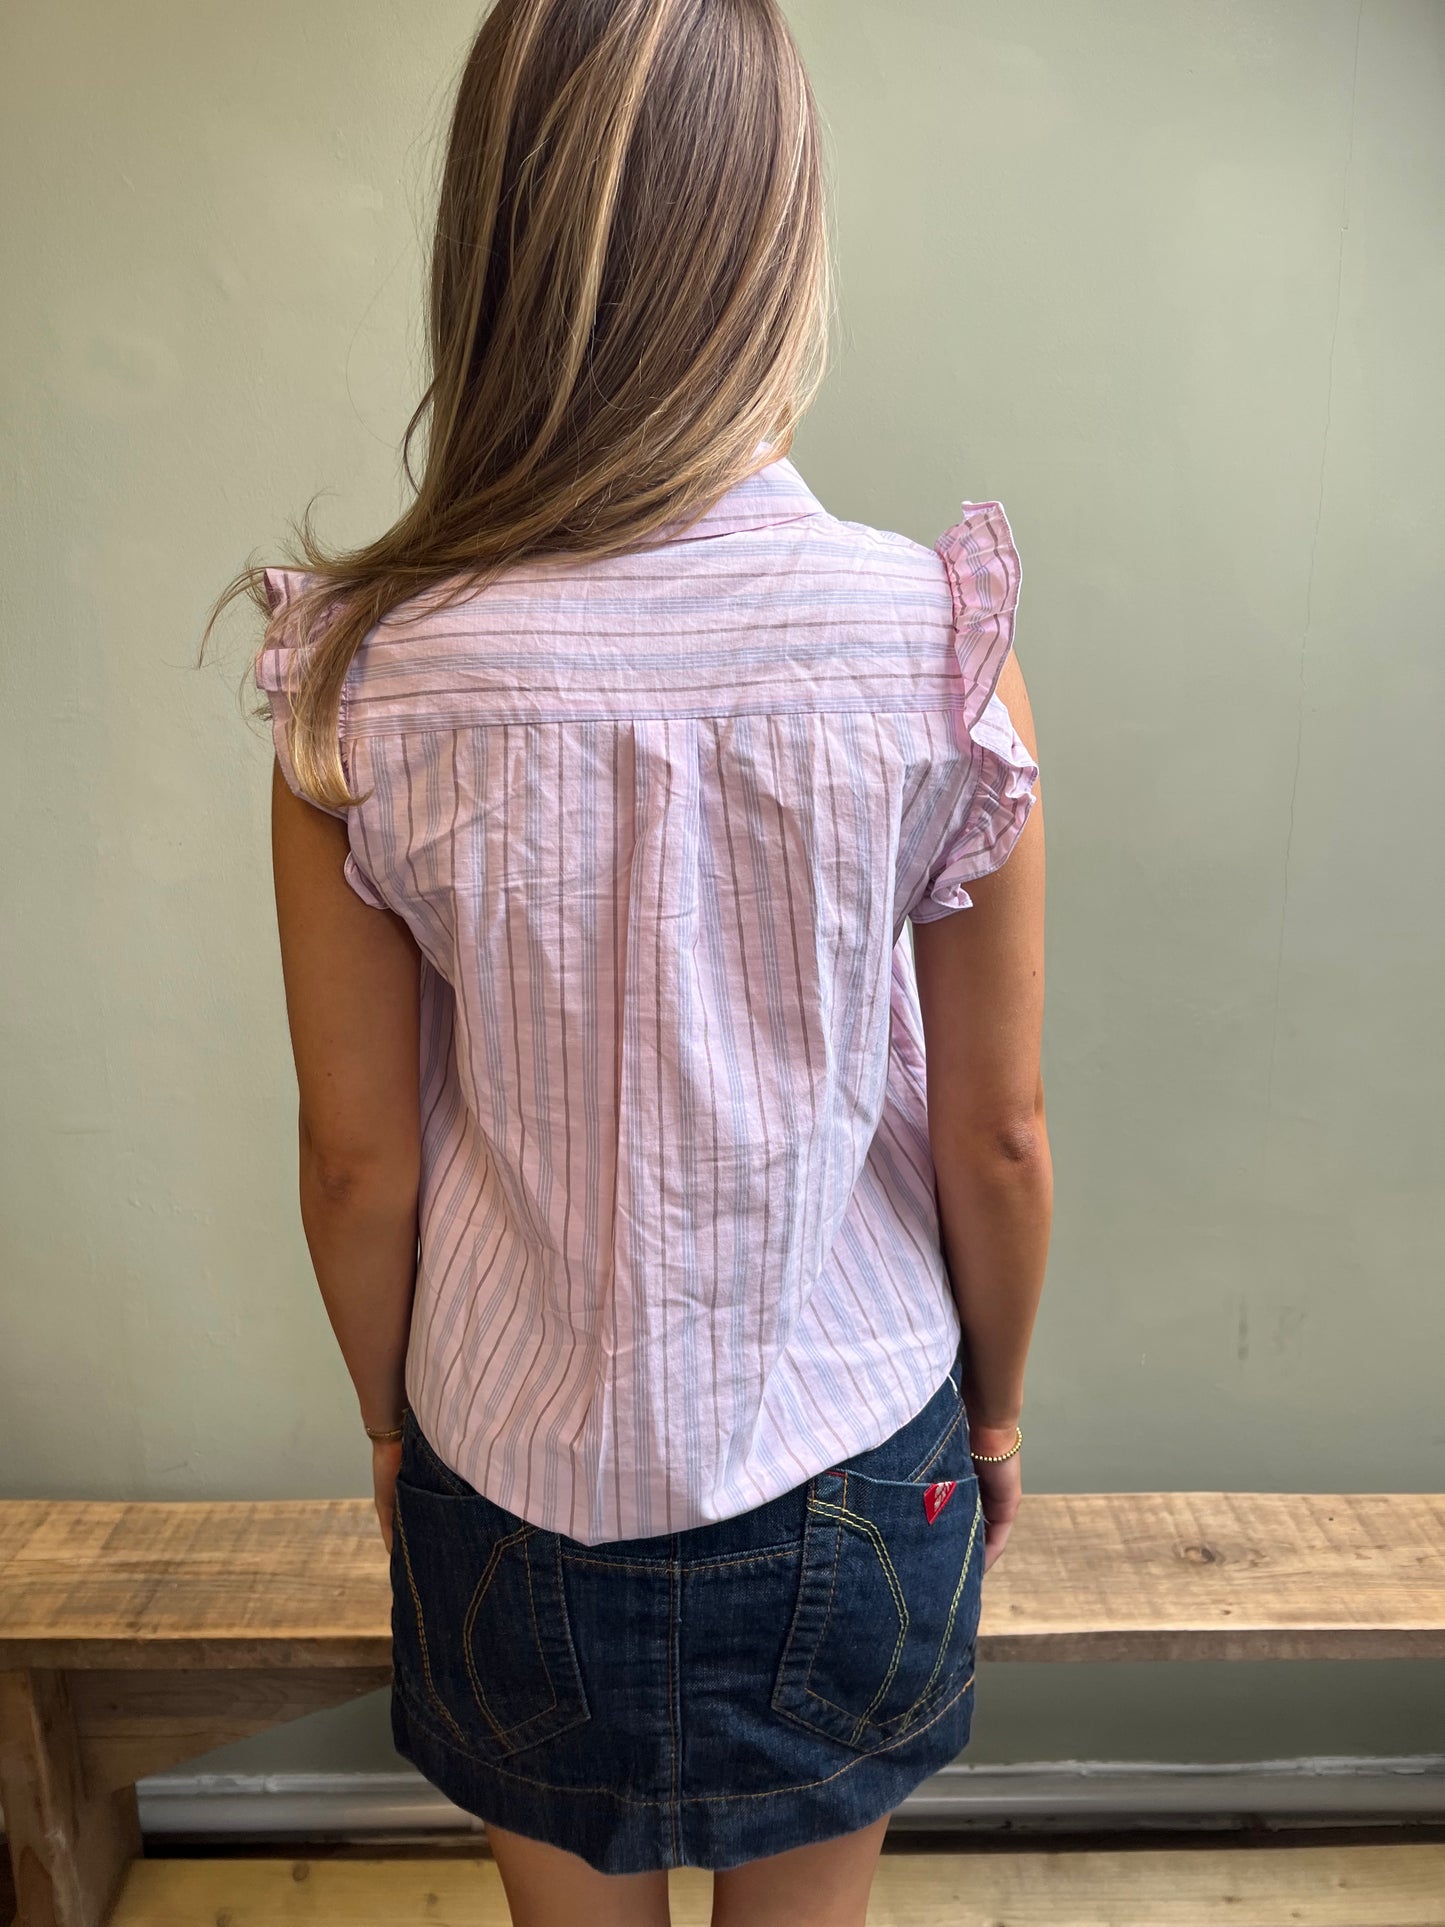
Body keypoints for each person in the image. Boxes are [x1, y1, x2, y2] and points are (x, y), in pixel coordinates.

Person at [207, 1, 1052, 1919]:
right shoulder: (930, 647)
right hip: (856, 1445)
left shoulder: (365, 680)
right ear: (778, 253)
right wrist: (995, 1413)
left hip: (505, 1464)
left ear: (490, 252)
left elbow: (354, 1162)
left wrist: (388, 1426)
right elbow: (997, 1139)